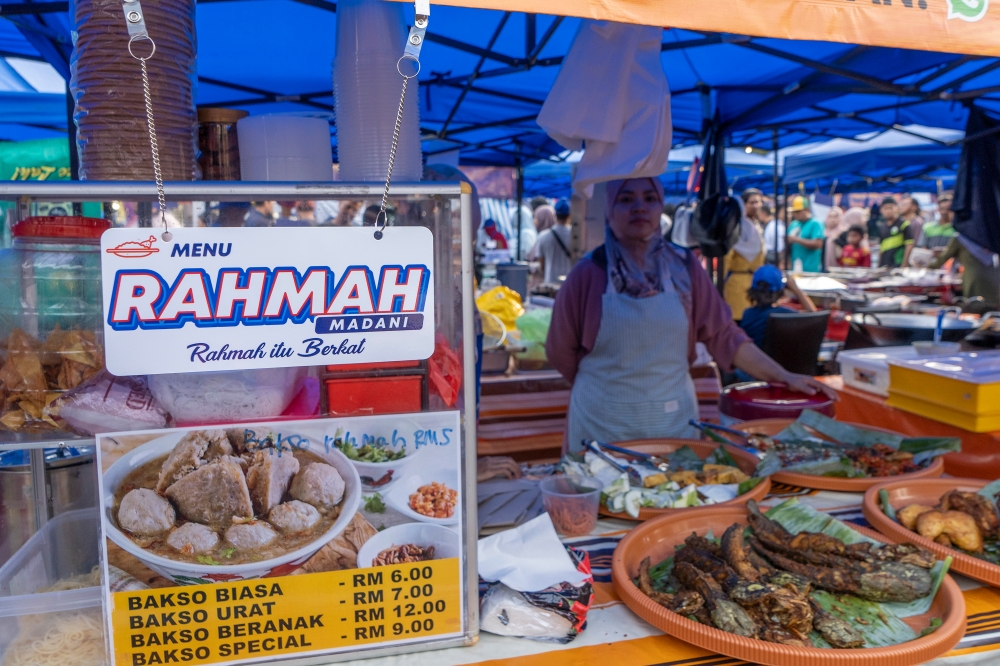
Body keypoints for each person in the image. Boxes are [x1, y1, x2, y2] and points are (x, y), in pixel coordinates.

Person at [546, 178, 835, 453]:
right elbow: (560, 351)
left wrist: (783, 375)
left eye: (649, 199)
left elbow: (725, 336)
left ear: (661, 207)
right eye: (625, 199)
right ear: (609, 210)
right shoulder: (587, 273)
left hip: (671, 421)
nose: (639, 207)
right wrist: (613, 390)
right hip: (601, 424)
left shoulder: (684, 267)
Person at [739, 265, 817, 350]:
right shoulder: (782, 314)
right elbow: (813, 316)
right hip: (780, 362)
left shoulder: (747, 314)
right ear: (780, 292)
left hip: (754, 361)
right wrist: (796, 289)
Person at [930, 234, 1000, 310]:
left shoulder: (961, 237)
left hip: (973, 279)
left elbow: (943, 257)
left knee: (974, 309)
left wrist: (927, 267)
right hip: (994, 277)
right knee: (990, 310)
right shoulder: (988, 235)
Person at [722, 198, 765, 321]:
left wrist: (719, 284)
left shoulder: (733, 230)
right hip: (755, 283)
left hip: (735, 285)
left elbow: (726, 260)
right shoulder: (753, 229)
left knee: (737, 322)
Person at [528, 202, 573, 284]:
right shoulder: (575, 236)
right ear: (569, 216)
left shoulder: (543, 236)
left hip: (550, 282)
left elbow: (541, 264)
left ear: (555, 215)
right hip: (570, 282)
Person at [873, 196, 915, 268]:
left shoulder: (904, 224)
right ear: (881, 210)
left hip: (898, 263)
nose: (888, 211)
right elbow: (881, 247)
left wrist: (905, 263)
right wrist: (879, 265)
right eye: (885, 208)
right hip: (885, 264)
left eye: (891, 208)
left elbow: (909, 244)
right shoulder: (881, 227)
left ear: (897, 208)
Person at [787, 196, 824, 272]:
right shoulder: (793, 224)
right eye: (794, 211)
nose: (796, 214)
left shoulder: (816, 223)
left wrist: (796, 240)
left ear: (807, 210)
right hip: (794, 268)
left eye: (798, 211)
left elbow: (818, 244)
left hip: (811, 269)